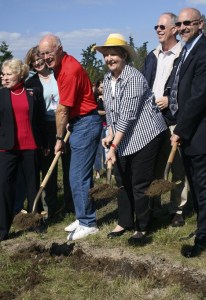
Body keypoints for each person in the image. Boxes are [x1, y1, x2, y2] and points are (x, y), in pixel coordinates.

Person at [93, 33, 167, 243]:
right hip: (123, 136)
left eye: (113, 54)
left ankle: (142, 226)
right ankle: (124, 221)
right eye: (106, 55)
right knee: (122, 180)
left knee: (139, 182)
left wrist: (113, 146)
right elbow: (111, 110)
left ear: (124, 55)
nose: (109, 59)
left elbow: (128, 115)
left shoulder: (134, 78)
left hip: (145, 134)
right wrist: (110, 134)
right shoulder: (107, 79)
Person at [38, 34, 102, 240]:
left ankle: (88, 222)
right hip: (79, 122)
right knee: (79, 175)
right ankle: (82, 215)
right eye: (42, 54)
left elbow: (62, 110)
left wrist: (58, 138)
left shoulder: (68, 70)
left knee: (77, 176)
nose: (46, 57)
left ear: (60, 49)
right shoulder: (60, 66)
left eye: (49, 52)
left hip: (85, 123)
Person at [142, 12, 189, 227]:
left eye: (162, 26)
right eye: (156, 27)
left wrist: (170, 98)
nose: (158, 30)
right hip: (152, 120)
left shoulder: (184, 54)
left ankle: (177, 209)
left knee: (177, 166)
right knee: (154, 165)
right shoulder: (152, 56)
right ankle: (153, 206)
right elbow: (144, 85)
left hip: (173, 119)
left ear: (174, 29)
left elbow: (189, 87)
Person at [167, 8, 206, 257]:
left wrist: (180, 129)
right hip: (189, 132)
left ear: (200, 24)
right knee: (194, 183)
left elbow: (199, 96)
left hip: (200, 131)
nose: (181, 27)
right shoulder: (186, 51)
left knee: (202, 186)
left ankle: (202, 239)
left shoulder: (203, 51)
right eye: (179, 24)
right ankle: (202, 228)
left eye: (187, 23)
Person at [0, 58, 47, 241]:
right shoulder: (1, 95)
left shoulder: (32, 92)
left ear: (19, 74)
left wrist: (44, 144)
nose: (4, 78)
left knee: (33, 186)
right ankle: (3, 229)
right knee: (3, 186)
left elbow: (40, 121)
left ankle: (36, 222)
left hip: (30, 146)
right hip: (7, 148)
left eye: (8, 74)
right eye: (3, 74)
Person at [24, 46, 74, 218]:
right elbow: (34, 115)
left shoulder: (59, 74)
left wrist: (68, 121)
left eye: (40, 58)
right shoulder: (30, 84)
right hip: (46, 128)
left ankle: (71, 205)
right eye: (33, 61)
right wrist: (44, 141)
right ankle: (51, 208)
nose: (37, 63)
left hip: (66, 123)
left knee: (70, 167)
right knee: (49, 171)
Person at [93, 80, 108, 178]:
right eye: (102, 87)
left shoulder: (108, 98)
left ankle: (108, 169)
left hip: (107, 126)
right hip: (98, 125)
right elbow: (96, 111)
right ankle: (97, 171)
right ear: (98, 87)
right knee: (98, 149)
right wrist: (106, 112)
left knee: (107, 149)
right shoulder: (94, 98)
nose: (103, 89)